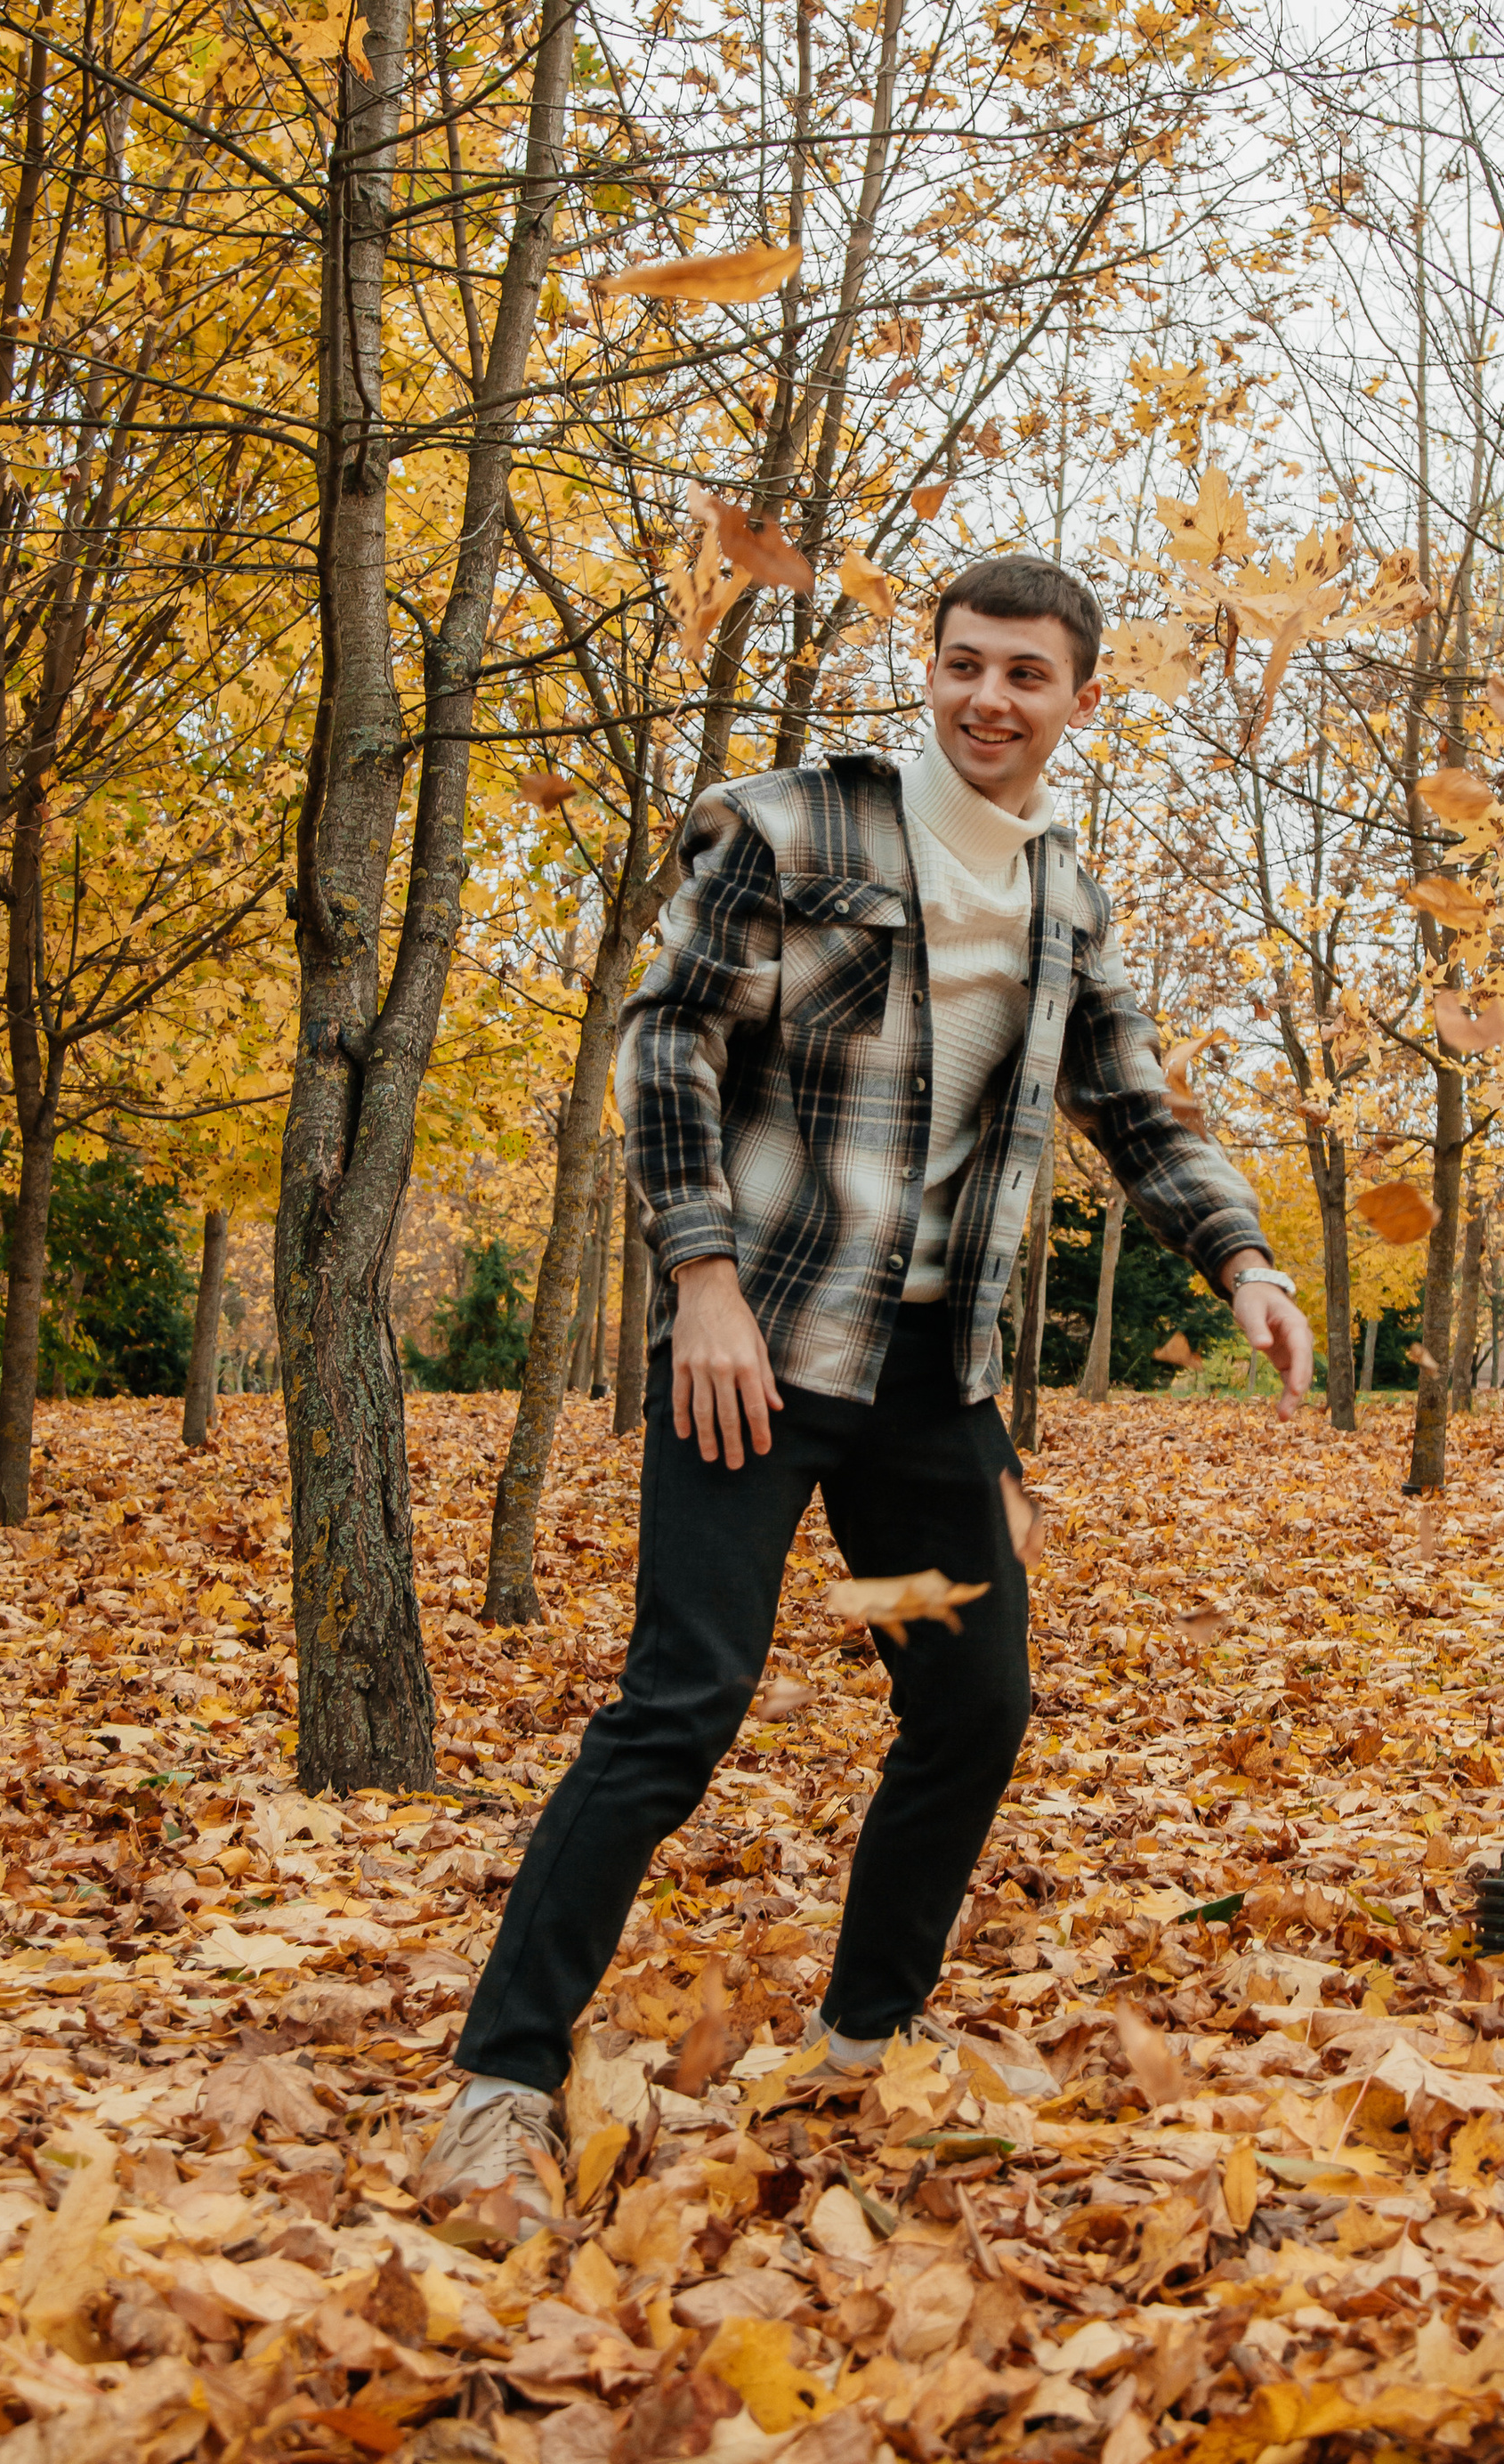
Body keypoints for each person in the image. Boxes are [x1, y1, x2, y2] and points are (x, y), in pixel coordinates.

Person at [418, 553, 1313, 2217]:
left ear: (1080, 701)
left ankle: (860, 2043)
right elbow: (666, 1042)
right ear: (934, 666)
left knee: (969, 1706)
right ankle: (499, 2082)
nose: (990, 698)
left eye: (1027, 676)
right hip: (752, 1356)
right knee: (679, 1710)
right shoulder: (786, 827)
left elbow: (1133, 1101)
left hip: (928, 1379)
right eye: (965, 664)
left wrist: (1244, 1260)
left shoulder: (1062, 891)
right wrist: (697, 1277)